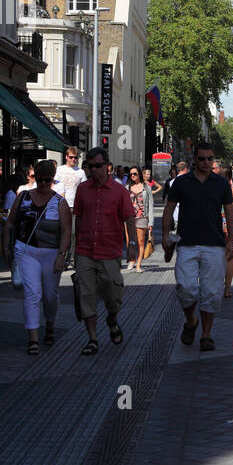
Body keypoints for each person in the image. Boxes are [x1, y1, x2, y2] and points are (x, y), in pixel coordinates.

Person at [162, 142, 233, 351]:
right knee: (185, 288)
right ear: (195, 159)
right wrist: (165, 235)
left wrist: (231, 241)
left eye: (209, 158)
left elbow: (230, 212)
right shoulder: (181, 182)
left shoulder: (221, 184)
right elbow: (169, 209)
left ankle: (206, 334)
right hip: (187, 243)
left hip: (214, 244)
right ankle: (191, 319)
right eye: (202, 158)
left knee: (211, 292)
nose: (206, 162)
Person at [73, 146, 138, 356]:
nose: (94, 170)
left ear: (107, 166)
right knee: (86, 295)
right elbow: (79, 218)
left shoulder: (120, 191)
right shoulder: (83, 189)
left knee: (113, 292)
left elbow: (129, 218)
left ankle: (112, 318)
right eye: (90, 166)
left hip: (109, 251)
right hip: (85, 251)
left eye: (98, 166)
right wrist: (75, 247)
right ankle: (92, 339)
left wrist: (132, 244)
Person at [4, 159, 71, 354]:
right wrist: (6, 246)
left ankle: (50, 325)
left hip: (51, 253)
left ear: (53, 180)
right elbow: (10, 222)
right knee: (33, 293)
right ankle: (32, 338)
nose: (43, 184)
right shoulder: (23, 196)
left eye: (47, 180)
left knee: (50, 295)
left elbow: (66, 231)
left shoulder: (60, 202)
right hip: (26, 251)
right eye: (39, 179)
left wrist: (62, 255)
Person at [125, 167, 152, 272]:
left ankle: (138, 265)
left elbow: (150, 205)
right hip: (129, 217)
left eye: (134, 174)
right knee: (130, 241)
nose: (132, 176)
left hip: (142, 217)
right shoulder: (127, 187)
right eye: (131, 174)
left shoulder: (146, 187)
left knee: (140, 241)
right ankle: (132, 260)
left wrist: (151, 223)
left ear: (139, 174)